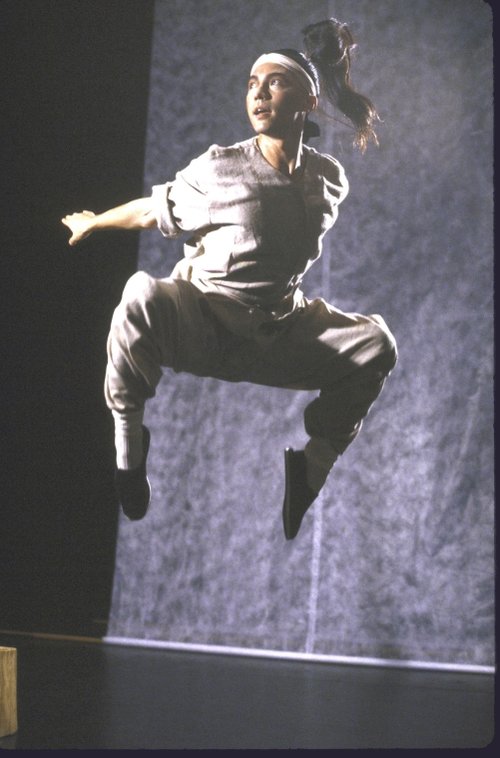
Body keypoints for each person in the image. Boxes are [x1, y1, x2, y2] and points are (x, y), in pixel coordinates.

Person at [62, 18, 397, 540]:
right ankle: (129, 452)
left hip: (275, 336)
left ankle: (311, 470)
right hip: (203, 323)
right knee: (139, 294)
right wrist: (95, 221)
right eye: (251, 84)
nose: (259, 93)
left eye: (274, 82)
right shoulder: (221, 170)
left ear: (307, 102)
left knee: (376, 344)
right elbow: (153, 210)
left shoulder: (329, 179)